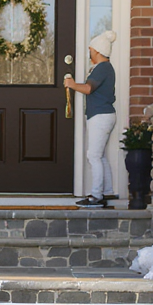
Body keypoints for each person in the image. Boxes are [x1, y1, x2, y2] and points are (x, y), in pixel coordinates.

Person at [63, 30, 117, 208]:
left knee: (93, 155)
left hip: (100, 115)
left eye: (91, 50)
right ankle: (107, 191)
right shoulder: (104, 68)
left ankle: (96, 196)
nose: (89, 53)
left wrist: (71, 85)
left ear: (98, 51)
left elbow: (88, 88)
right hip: (103, 114)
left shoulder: (102, 68)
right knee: (99, 155)